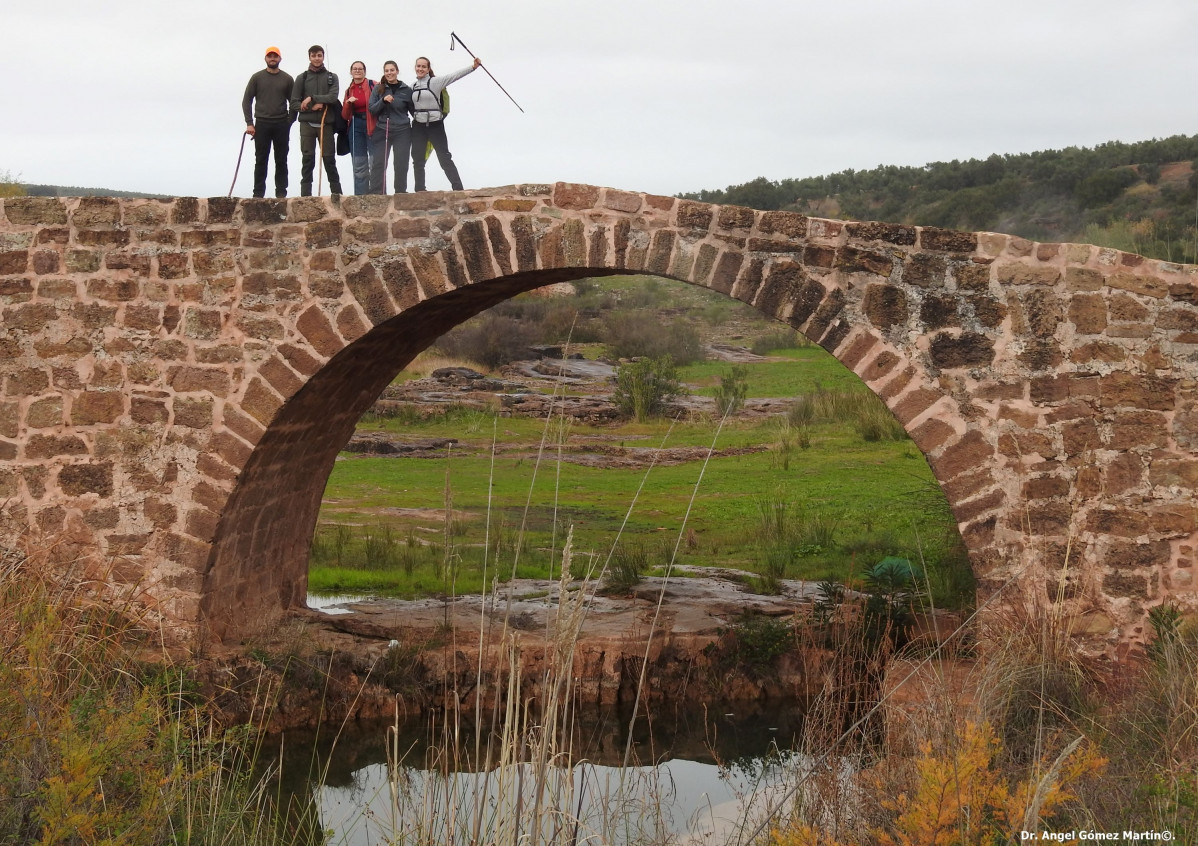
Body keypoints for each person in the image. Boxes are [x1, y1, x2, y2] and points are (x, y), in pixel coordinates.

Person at [409, 55, 481, 192]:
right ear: (415, 68)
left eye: (424, 66)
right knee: (417, 159)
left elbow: (454, 76)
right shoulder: (412, 86)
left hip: (435, 125)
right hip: (418, 126)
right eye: (418, 66)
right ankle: (419, 189)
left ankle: (458, 188)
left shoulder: (436, 82)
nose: (420, 69)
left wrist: (473, 67)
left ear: (428, 69)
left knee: (444, 157)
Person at [290, 45, 343, 196]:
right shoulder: (302, 78)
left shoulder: (332, 77)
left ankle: (337, 195)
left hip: (326, 123)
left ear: (323, 56)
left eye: (319, 55)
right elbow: (294, 103)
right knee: (307, 160)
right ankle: (305, 197)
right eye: (313, 56)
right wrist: (311, 107)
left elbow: (333, 97)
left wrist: (312, 98)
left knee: (329, 160)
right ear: (309, 57)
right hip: (307, 124)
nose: (316, 58)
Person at [241, 47, 293, 198]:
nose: (272, 59)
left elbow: (294, 102)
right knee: (261, 160)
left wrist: (289, 121)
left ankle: (281, 194)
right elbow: (246, 101)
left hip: (281, 124)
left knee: (281, 160)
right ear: (265, 58)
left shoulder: (287, 79)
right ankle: (258, 194)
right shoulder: (257, 78)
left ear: (280, 59)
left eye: (275, 56)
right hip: (262, 123)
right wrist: (249, 123)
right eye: (270, 56)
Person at [368, 61, 414, 194]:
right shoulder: (378, 88)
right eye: (387, 71)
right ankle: (376, 194)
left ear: (397, 71)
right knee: (379, 163)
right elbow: (372, 109)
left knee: (401, 163)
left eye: (392, 70)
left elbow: (413, 111)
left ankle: (400, 192)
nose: (389, 73)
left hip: (403, 130)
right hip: (383, 129)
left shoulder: (406, 90)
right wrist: (383, 101)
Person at [341, 61, 376, 195]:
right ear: (351, 72)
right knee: (359, 163)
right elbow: (345, 116)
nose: (357, 71)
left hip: (372, 124)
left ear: (364, 71)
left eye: (360, 69)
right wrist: (348, 104)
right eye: (355, 69)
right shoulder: (349, 90)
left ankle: (376, 194)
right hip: (355, 126)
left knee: (375, 162)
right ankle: (361, 197)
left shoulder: (374, 85)